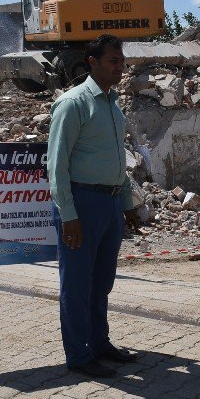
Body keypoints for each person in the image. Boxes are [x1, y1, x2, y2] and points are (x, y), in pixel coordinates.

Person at [47, 34, 141, 378]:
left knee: (101, 281)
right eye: (113, 61)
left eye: (121, 60)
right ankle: (80, 355)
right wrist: (68, 215)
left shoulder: (112, 104)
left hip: (111, 203)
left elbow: (118, 159)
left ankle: (99, 342)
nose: (120, 67)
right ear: (93, 62)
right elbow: (56, 166)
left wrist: (127, 203)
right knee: (77, 283)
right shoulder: (73, 103)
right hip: (81, 203)